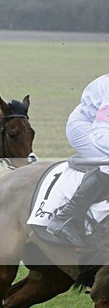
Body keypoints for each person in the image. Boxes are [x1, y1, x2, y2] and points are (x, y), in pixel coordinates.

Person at [46, 74, 109, 246]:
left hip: (101, 127)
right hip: (87, 128)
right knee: (108, 164)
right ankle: (65, 218)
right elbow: (100, 134)